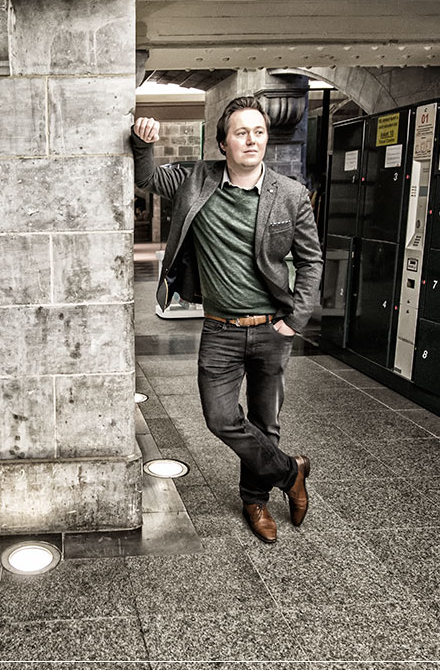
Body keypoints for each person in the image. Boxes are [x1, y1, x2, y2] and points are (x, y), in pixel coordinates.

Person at [131, 96, 323, 543]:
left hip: (272, 327)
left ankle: (254, 500)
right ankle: (290, 471)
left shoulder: (290, 195)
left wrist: (294, 320)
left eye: (258, 131)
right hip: (219, 328)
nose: (251, 139)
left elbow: (311, 262)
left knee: (264, 420)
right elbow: (145, 177)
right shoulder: (196, 179)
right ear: (223, 143)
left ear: (266, 139)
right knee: (220, 418)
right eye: (241, 132)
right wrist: (143, 143)